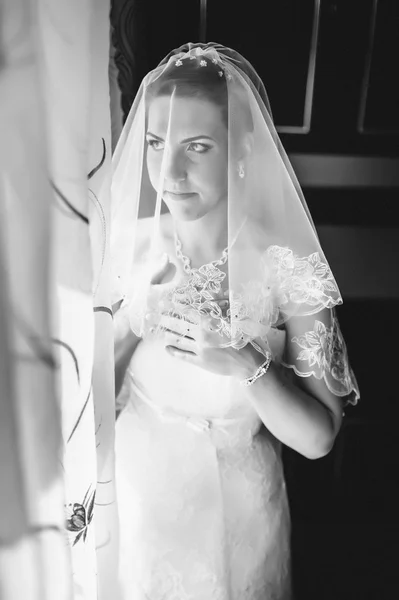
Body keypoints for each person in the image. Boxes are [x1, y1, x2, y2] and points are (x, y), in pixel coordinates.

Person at [110, 42, 359, 600]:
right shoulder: (125, 252)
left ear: (241, 148)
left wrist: (250, 364)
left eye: (196, 146)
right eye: (155, 143)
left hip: (243, 514)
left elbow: (319, 438)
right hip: (136, 508)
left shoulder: (287, 268)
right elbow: (81, 407)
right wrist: (129, 323)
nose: (168, 172)